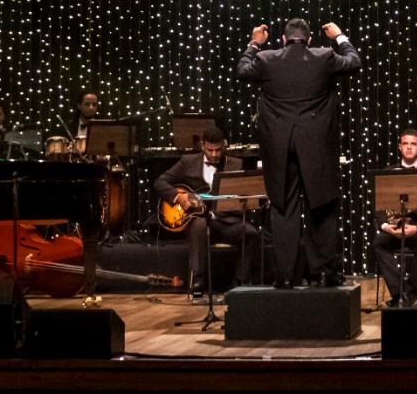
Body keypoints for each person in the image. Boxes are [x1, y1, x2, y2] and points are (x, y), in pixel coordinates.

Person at [237, 19, 362, 288]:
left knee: (283, 208)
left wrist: (254, 43)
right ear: (308, 40)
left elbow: (242, 71)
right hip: (316, 148)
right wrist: (339, 36)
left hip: (280, 149)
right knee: (321, 208)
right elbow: (354, 61)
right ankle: (325, 273)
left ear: (283, 40)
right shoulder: (324, 56)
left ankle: (285, 276)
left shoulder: (267, 58)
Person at [153, 127, 258, 295]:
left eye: (218, 150)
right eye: (210, 150)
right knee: (199, 226)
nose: (214, 154)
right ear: (202, 146)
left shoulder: (235, 164)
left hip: (226, 221)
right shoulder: (188, 162)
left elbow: (243, 196)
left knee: (251, 233)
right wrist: (178, 197)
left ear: (224, 146)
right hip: (199, 219)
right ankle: (198, 281)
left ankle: (239, 282)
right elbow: (160, 182)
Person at [371, 129, 417, 306]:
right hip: (395, 228)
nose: (409, 147)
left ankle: (408, 295)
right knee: (379, 242)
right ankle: (401, 292)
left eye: (413, 144)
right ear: (399, 147)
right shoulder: (388, 171)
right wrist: (386, 226)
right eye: (405, 144)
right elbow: (378, 205)